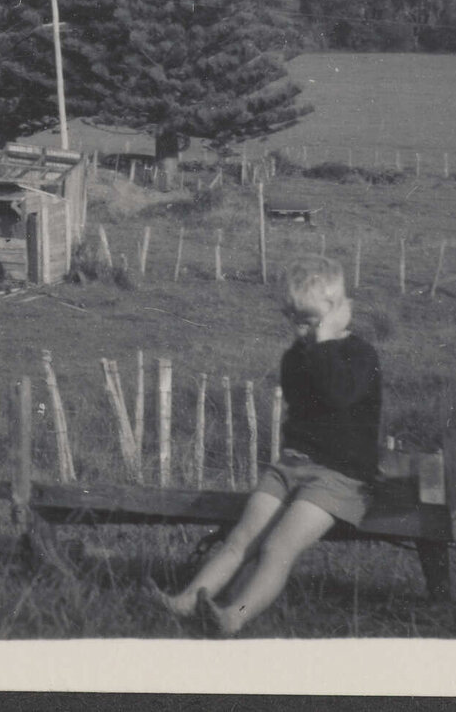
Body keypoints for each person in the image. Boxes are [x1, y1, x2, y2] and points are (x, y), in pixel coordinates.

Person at [158, 254, 382, 635]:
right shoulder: (297, 356)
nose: (299, 331)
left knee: (278, 548)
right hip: (292, 465)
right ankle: (186, 600)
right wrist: (318, 338)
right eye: (293, 320)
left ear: (335, 311)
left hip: (341, 476)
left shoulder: (360, 355)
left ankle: (234, 615)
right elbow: (305, 391)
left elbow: (339, 393)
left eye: (309, 321)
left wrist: (326, 338)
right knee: (240, 541)